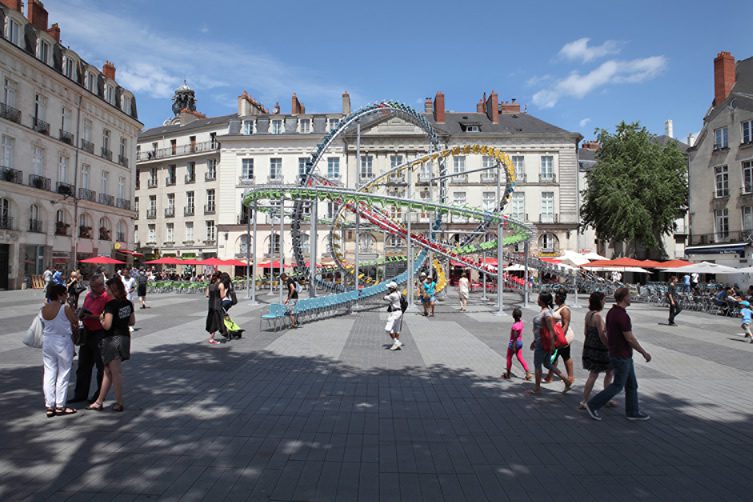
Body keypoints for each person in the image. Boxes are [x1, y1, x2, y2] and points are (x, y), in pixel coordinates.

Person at [585, 287, 652, 421]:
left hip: (619, 353)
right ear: (624, 298)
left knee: (632, 384)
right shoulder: (622, 316)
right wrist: (643, 352)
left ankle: (632, 412)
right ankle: (593, 405)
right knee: (618, 385)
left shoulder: (611, 312)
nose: (631, 298)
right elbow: (630, 338)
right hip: (622, 355)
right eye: (629, 295)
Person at [87, 277, 135, 412]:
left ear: (113, 290)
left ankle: (119, 402)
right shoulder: (128, 303)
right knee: (107, 371)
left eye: (107, 288)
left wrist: (102, 319)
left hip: (112, 339)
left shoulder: (110, 305)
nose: (105, 290)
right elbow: (132, 322)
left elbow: (107, 326)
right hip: (124, 337)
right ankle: (99, 401)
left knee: (115, 373)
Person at [40, 284, 79, 417]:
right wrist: (73, 309)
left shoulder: (44, 309)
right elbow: (75, 321)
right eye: (65, 293)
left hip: (48, 340)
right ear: (59, 295)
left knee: (49, 372)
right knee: (63, 373)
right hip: (62, 341)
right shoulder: (64, 308)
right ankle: (60, 405)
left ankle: (49, 405)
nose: (67, 295)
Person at [70, 274, 109, 404]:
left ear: (101, 285)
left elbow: (106, 317)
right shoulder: (88, 296)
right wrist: (80, 314)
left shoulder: (107, 297)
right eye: (91, 287)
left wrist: (90, 317)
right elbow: (85, 309)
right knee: (83, 366)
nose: (91, 289)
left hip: (100, 334)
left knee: (100, 367)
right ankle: (80, 394)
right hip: (87, 333)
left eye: (94, 287)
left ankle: (98, 395)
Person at [529, 292, 572, 395]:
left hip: (542, 344)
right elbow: (541, 329)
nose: (537, 300)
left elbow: (551, 330)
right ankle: (566, 380)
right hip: (540, 341)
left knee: (537, 365)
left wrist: (552, 345)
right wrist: (534, 341)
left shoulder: (547, 313)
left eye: (539, 298)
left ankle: (537, 388)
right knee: (547, 364)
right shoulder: (544, 311)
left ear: (543, 301)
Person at [579, 292, 615, 410]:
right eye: (604, 300)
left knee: (596, 373)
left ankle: (586, 400)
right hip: (600, 349)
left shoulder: (588, 314)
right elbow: (602, 334)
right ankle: (600, 399)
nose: (605, 302)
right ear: (599, 301)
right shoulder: (598, 316)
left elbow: (585, 332)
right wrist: (609, 346)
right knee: (606, 373)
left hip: (589, 346)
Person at [544, 289, 575, 385]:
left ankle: (567, 377)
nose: (554, 299)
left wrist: (559, 338)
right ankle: (553, 377)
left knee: (558, 356)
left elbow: (565, 324)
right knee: (563, 356)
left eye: (556, 297)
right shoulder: (559, 308)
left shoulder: (565, 310)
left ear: (560, 298)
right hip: (559, 335)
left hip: (564, 336)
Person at [502, 307, 531, 380]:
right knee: (520, 357)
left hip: (514, 343)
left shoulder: (515, 326)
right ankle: (528, 372)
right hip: (520, 342)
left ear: (513, 316)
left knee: (509, 358)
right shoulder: (521, 323)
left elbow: (514, 336)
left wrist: (513, 346)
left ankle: (508, 374)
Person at [205, 272, 226, 344]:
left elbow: (207, 295)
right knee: (217, 321)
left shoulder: (210, 285)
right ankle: (211, 338)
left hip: (211, 305)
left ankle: (213, 337)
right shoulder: (221, 285)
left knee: (213, 321)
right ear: (220, 277)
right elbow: (222, 296)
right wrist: (225, 291)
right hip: (217, 305)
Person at [384, 281, 403, 351]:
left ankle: (396, 342)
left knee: (388, 329)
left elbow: (384, 297)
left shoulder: (392, 295)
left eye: (389, 288)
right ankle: (396, 345)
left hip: (394, 313)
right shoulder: (399, 293)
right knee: (396, 329)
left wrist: (387, 294)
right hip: (399, 312)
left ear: (392, 288)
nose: (388, 289)